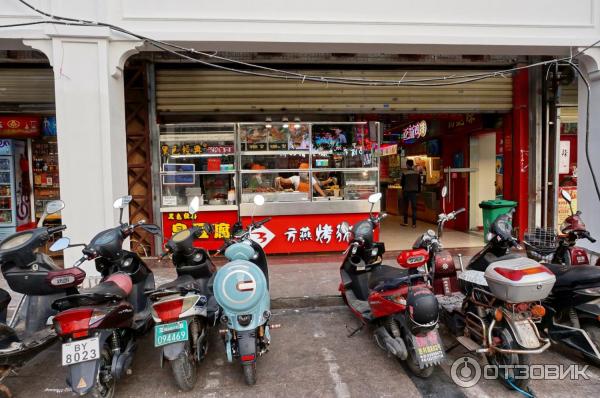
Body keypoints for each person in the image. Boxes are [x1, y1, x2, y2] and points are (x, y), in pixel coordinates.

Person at [401, 159, 421, 228]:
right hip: (414, 192)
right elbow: (419, 184)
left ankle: (405, 222)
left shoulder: (404, 173)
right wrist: (418, 192)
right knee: (414, 209)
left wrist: (403, 189)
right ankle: (414, 224)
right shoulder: (417, 173)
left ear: (407, 165)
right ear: (412, 164)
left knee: (405, 207)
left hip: (406, 192)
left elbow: (402, 183)